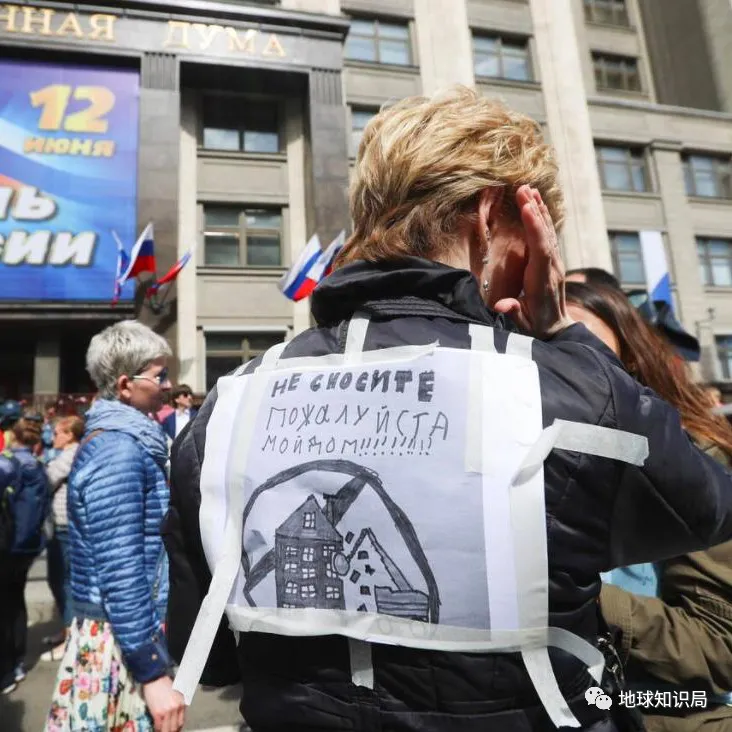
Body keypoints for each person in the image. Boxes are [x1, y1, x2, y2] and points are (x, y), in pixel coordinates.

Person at [165, 87, 732, 731]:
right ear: (489, 218)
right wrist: (567, 342)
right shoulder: (562, 390)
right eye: (534, 238)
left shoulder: (228, 406)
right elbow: (708, 509)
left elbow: (211, 655)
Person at [565, 281, 732, 731]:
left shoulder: (692, 463)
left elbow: (719, 649)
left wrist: (577, 599)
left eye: (576, 338)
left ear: (630, 359)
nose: (556, 362)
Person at [45, 320, 185, 732]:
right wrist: (152, 671)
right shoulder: (118, 450)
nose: (168, 384)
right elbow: (121, 569)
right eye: (159, 375)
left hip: (121, 634)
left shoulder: (127, 441)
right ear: (125, 385)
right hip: (117, 644)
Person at [0, 410, 50, 694]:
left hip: (6, 545)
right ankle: (16, 663)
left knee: (5, 606)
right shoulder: (38, 464)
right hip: (28, 545)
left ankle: (6, 669)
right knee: (15, 601)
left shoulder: (7, 463)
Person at [41, 415, 84, 663]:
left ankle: (70, 638)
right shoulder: (66, 453)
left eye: (57, 432)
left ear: (70, 435)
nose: (52, 437)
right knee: (59, 579)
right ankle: (66, 630)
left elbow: (46, 480)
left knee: (63, 581)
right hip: (61, 524)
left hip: (65, 525)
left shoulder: (70, 454)